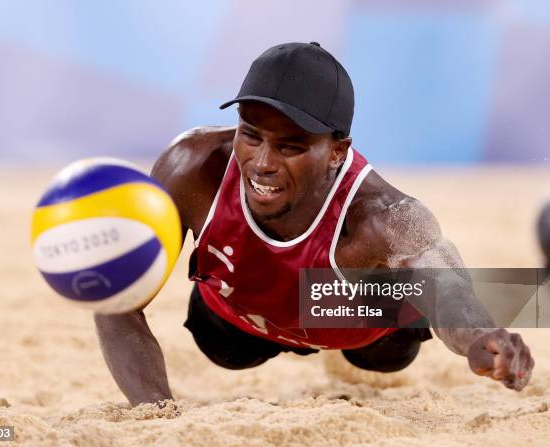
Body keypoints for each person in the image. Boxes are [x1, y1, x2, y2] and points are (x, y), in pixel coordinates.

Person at [94, 42, 534, 406]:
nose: (262, 164)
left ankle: (352, 333)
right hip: (239, 322)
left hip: (350, 319)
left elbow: (450, 289)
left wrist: (481, 337)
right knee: (225, 351)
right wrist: (156, 416)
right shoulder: (191, 168)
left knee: (384, 357)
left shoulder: (383, 215)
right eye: (250, 135)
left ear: (337, 152)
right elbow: (117, 304)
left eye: (290, 146)